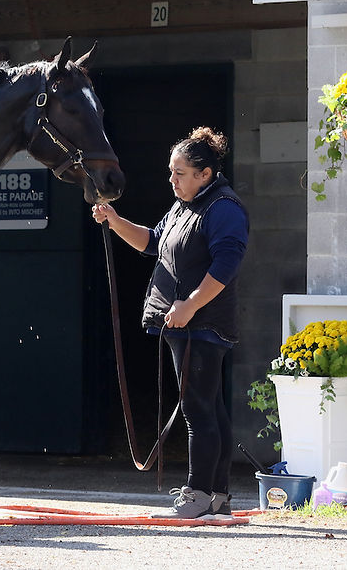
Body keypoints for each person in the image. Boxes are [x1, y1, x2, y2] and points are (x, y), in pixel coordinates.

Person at [91, 126, 248, 519]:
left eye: (179, 172)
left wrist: (191, 306)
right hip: (184, 324)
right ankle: (217, 497)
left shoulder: (224, 208)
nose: (172, 179)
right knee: (210, 406)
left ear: (205, 174)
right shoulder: (183, 206)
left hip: (202, 324)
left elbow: (226, 266)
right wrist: (114, 220)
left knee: (197, 409)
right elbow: (152, 242)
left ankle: (198, 494)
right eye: (171, 171)